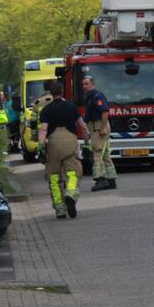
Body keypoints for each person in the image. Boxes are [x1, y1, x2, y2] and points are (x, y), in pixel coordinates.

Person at [37, 80, 88, 218]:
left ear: (51, 93)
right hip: (70, 142)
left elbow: (43, 129)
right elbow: (82, 126)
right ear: (61, 91)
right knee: (73, 172)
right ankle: (70, 193)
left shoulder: (46, 110)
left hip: (53, 144)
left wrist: (40, 147)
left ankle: (60, 208)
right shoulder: (71, 107)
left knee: (53, 176)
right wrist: (87, 142)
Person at [81, 75, 117, 191]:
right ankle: (111, 180)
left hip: (99, 128)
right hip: (95, 128)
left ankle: (100, 180)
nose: (84, 86)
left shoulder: (97, 95)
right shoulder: (89, 97)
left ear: (92, 84)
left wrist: (103, 128)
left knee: (97, 153)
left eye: (86, 84)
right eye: (83, 84)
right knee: (105, 154)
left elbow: (105, 112)